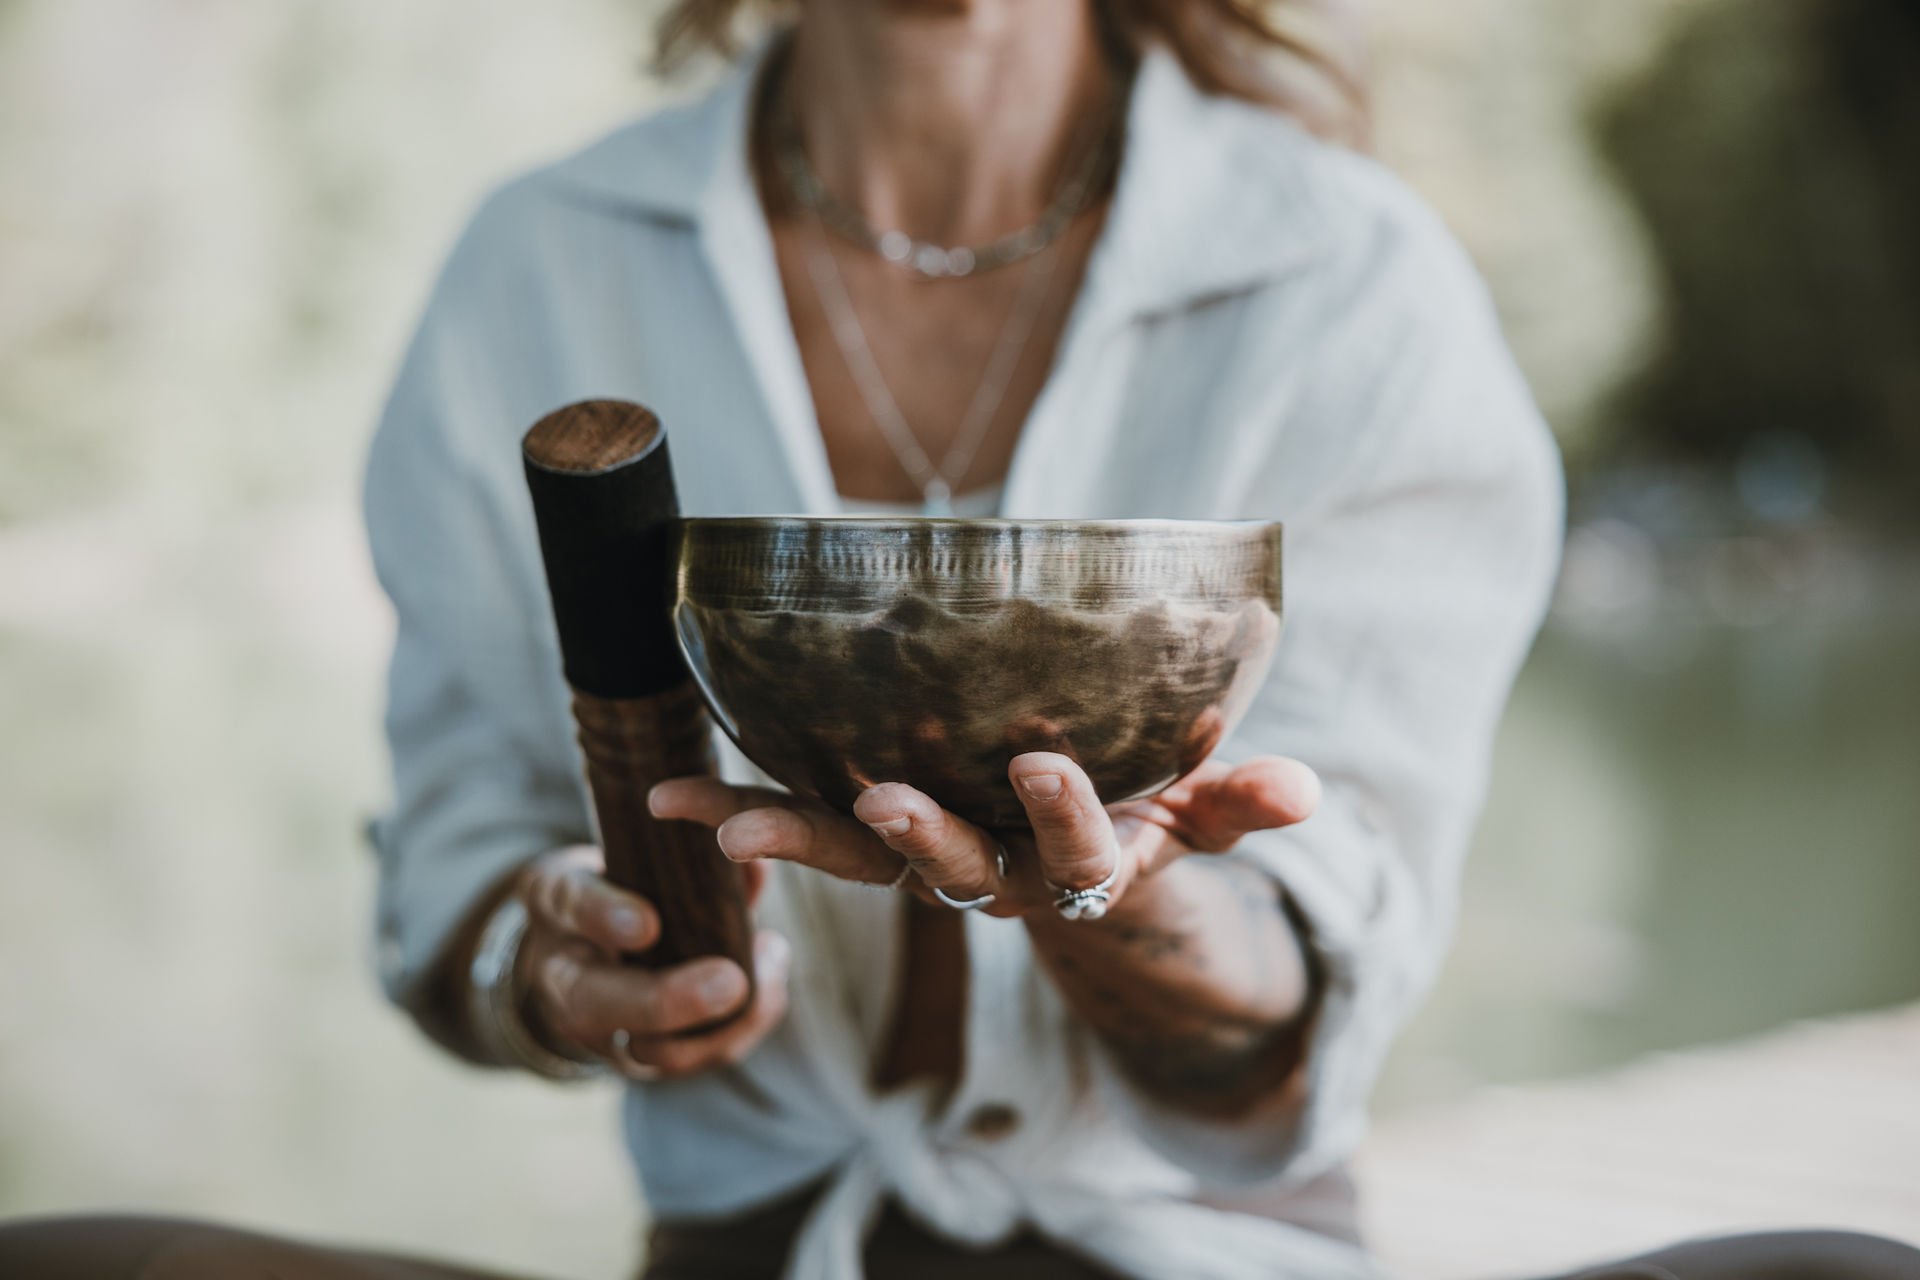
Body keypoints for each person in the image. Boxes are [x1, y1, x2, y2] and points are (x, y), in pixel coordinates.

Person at [3, 1, 1917, 1278]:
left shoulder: (1349, 282)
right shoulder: (545, 259)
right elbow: (452, 883)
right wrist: (554, 970)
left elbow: (1295, 1034)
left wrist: (1135, 904)